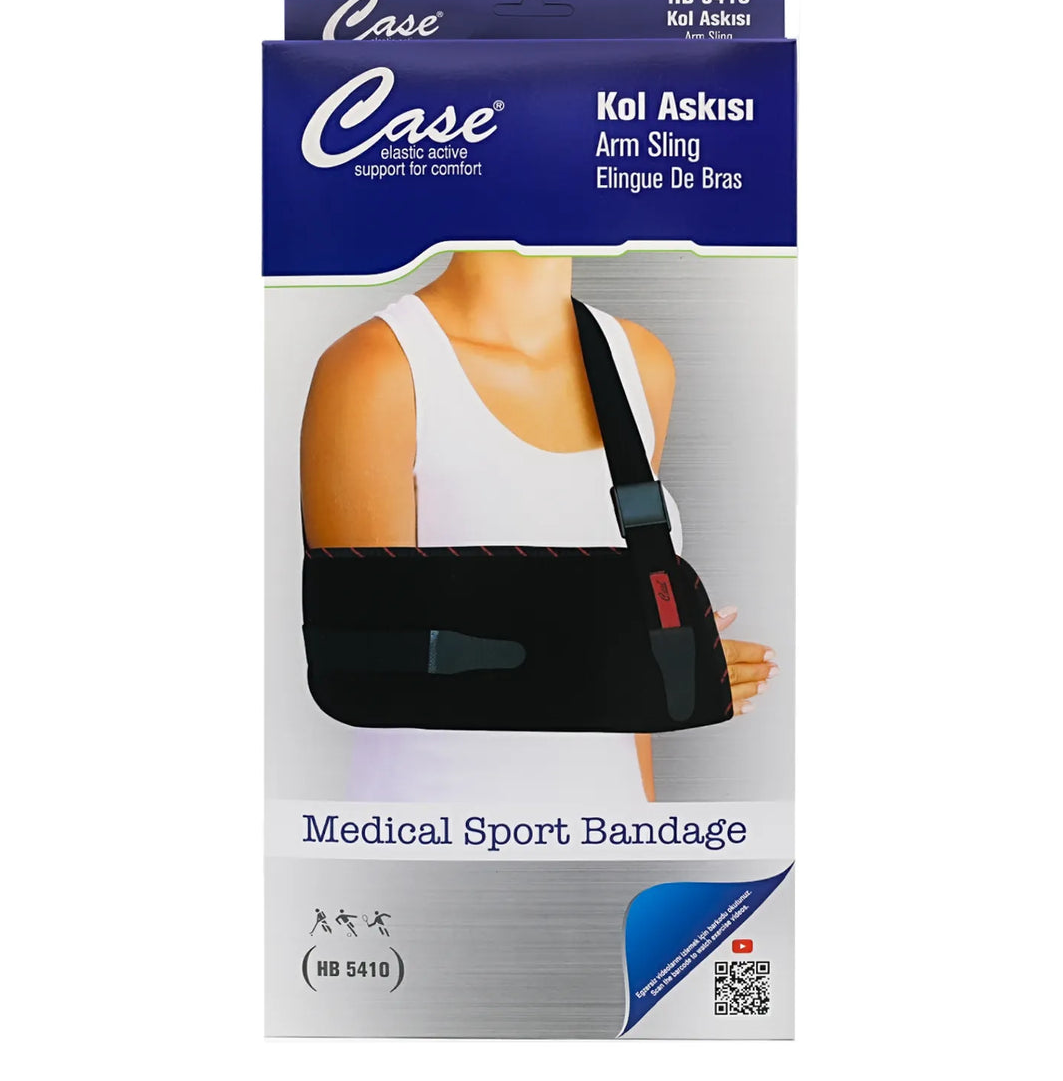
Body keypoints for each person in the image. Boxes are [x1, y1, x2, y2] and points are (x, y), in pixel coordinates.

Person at [301, 251, 777, 802]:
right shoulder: (375, 367)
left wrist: (644, 814)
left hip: (608, 828)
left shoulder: (639, 364)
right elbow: (369, 673)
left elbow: (637, 695)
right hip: (435, 828)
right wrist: (621, 665)